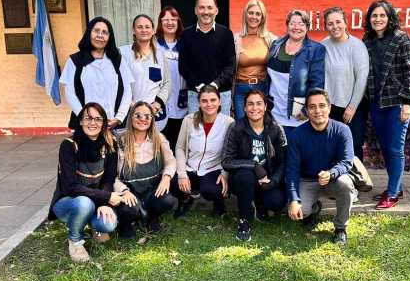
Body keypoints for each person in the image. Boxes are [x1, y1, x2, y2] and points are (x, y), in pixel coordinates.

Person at [48, 102, 121, 263]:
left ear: (103, 123)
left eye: (98, 119)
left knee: (108, 224)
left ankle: (95, 227)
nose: (92, 123)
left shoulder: (110, 144)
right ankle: (75, 240)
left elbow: (108, 179)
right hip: (69, 202)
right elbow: (71, 187)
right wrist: (106, 197)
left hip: (96, 199)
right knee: (84, 203)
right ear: (80, 121)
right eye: (88, 118)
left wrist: (104, 203)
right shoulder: (69, 145)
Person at [363, 0, 410, 210]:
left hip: (397, 103)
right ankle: (397, 187)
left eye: (382, 15)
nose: (378, 19)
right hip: (376, 103)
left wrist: (408, 103)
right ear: (369, 19)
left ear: (389, 17)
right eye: (374, 15)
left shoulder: (402, 38)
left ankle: (393, 194)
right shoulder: (367, 40)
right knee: (385, 147)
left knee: (395, 148)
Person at [286, 89, 356, 246]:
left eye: (322, 105)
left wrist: (331, 173)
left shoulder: (342, 130)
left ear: (329, 108)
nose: (318, 111)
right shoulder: (296, 135)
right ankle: (314, 208)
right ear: (306, 110)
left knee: (345, 185)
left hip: (332, 178)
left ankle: (340, 228)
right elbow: (292, 170)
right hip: (307, 180)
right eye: (312, 107)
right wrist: (294, 199)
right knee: (299, 213)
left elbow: (346, 161)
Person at [222, 89, 287, 241]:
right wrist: (254, 165)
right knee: (245, 176)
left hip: (266, 179)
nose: (255, 108)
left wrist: (274, 181)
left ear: (265, 106)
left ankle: (259, 203)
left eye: (259, 103)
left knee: (276, 201)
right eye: (250, 104)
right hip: (243, 179)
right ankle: (244, 221)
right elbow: (226, 161)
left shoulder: (276, 128)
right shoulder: (236, 128)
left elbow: (284, 161)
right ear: (244, 108)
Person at [113, 102, 177, 240]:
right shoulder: (119, 140)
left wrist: (166, 178)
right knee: (129, 209)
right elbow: (112, 175)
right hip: (130, 190)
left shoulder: (159, 138)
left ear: (152, 119)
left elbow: (171, 161)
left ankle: (152, 217)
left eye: (147, 116)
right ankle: (126, 223)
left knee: (168, 201)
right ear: (131, 117)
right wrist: (124, 191)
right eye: (138, 115)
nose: (143, 119)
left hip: (151, 189)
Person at [60, 17, 133, 129]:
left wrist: (119, 117)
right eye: (96, 31)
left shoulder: (117, 60)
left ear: (109, 37)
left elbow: (127, 91)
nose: (100, 35)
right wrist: (85, 117)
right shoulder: (75, 60)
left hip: (113, 123)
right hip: (85, 125)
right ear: (89, 33)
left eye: (105, 32)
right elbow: (70, 92)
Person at [173, 84, 234, 218]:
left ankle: (219, 204)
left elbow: (231, 152)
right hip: (190, 167)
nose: (209, 104)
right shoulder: (189, 120)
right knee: (173, 184)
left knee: (211, 190)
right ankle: (185, 199)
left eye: (213, 100)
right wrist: (182, 174)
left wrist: (224, 174)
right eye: (204, 101)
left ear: (219, 102)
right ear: (199, 103)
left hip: (213, 168)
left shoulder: (228, 122)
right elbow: (180, 147)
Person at [266, 10, 326, 136]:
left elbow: (317, 84)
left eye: (301, 24)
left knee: (296, 146)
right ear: (287, 25)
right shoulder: (276, 45)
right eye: (292, 23)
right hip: (274, 113)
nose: (296, 27)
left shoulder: (316, 50)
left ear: (307, 27)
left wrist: (306, 110)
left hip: (298, 115)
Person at [322, 6, 370, 160]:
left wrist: (352, 106)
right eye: (330, 23)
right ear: (325, 26)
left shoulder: (357, 46)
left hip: (353, 107)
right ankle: (334, 175)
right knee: (332, 146)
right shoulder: (323, 45)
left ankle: (356, 175)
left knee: (354, 147)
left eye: (338, 22)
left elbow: (362, 78)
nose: (335, 26)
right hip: (330, 106)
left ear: (345, 23)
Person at [178, 0, 236, 116]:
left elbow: (230, 65)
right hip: (195, 94)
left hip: (221, 94)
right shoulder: (186, 35)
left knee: (222, 128)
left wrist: (216, 84)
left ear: (216, 10)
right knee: (196, 127)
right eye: (202, 7)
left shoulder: (226, 34)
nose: (206, 12)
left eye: (210, 7)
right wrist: (198, 85)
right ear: (196, 10)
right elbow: (183, 66)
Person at [119, 14, 171, 131]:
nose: (144, 30)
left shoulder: (160, 54)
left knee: (153, 142)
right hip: (130, 112)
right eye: (140, 27)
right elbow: (117, 83)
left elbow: (167, 83)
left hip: (154, 114)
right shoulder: (123, 53)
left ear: (153, 31)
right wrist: (133, 106)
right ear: (133, 30)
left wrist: (157, 104)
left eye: (147, 27)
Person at [233, 0, 276, 119]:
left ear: (263, 17)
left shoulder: (271, 39)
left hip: (262, 88)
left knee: (260, 124)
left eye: (258, 14)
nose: (254, 17)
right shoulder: (235, 39)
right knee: (242, 124)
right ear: (245, 14)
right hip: (241, 89)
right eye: (251, 13)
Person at [156, 6, 187, 150]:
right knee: (160, 140)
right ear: (160, 22)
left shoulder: (185, 43)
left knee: (178, 141)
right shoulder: (154, 44)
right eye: (166, 19)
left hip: (180, 97)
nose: (170, 23)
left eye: (173, 19)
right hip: (160, 98)